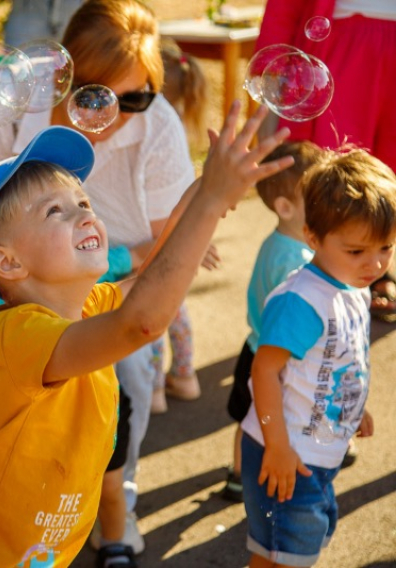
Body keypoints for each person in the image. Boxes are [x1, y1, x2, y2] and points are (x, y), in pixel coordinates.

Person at [0, 102, 293, 565]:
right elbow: (142, 321)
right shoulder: (22, 334)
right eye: (55, 210)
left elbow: (155, 270)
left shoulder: (85, 307)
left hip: (38, 550)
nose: (84, 216)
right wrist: (211, 199)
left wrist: (205, 194)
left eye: (84, 202)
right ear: (8, 263)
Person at [0, 3, 198, 554]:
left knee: (114, 393)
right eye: (108, 95)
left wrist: (200, 206)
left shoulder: (157, 126)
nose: (128, 112)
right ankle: (2, 475)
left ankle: (103, 501)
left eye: (140, 97)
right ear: (67, 78)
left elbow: (158, 260)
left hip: (89, 279)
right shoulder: (12, 101)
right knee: (54, 386)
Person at [241, 148, 396, 568]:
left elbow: (339, 355)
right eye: (356, 251)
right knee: (279, 556)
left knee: (297, 547)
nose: (375, 263)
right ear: (312, 236)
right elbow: (264, 371)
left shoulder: (353, 286)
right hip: (286, 453)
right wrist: (277, 446)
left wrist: (351, 407)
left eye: (386, 247)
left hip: (317, 451)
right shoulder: (300, 301)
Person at [256, 0, 396, 323]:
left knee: (390, 169)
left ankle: (378, 266)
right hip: (345, 40)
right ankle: (322, 275)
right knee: (335, 175)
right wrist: (271, 74)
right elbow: (283, 8)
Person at [220, 141, 319, 503]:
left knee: (245, 417)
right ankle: (250, 472)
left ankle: (235, 474)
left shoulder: (277, 243)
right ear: (285, 207)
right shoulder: (296, 261)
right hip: (272, 357)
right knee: (262, 416)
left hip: (254, 345)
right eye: (318, 199)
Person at [149, 39, 212, 414]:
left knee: (150, 313)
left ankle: (154, 388)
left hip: (157, 237)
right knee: (175, 308)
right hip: (184, 236)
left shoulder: (156, 128)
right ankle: (186, 376)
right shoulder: (183, 127)